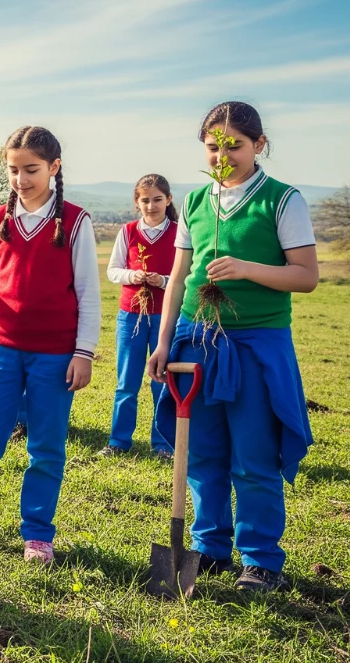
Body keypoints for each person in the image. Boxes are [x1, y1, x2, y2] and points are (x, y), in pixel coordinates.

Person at [149, 101, 318, 593]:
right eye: (213, 146)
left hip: (255, 346)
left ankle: (261, 559)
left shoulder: (283, 200)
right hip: (193, 341)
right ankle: (210, 548)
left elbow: (306, 276)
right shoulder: (197, 202)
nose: (223, 155)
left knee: (253, 455)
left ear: (259, 145)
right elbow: (179, 276)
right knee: (202, 453)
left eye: (235, 145)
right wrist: (163, 343)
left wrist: (246, 268)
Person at [0, 125, 101, 565]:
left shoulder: (76, 221)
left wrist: (83, 352)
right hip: (2, 348)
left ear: (54, 167)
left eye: (31, 169)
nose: (21, 179)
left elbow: (87, 291)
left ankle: (37, 535)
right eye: (13, 169)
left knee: (46, 447)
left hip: (55, 354)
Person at [101, 174, 178, 459]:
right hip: (130, 316)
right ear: (137, 203)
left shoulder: (180, 232)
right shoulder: (129, 231)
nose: (151, 205)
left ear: (168, 200)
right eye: (145, 200)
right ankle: (118, 442)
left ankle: (164, 444)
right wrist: (134, 275)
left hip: (165, 316)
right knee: (126, 382)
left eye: (157, 199)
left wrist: (164, 281)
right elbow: (113, 271)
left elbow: (188, 276)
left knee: (162, 381)